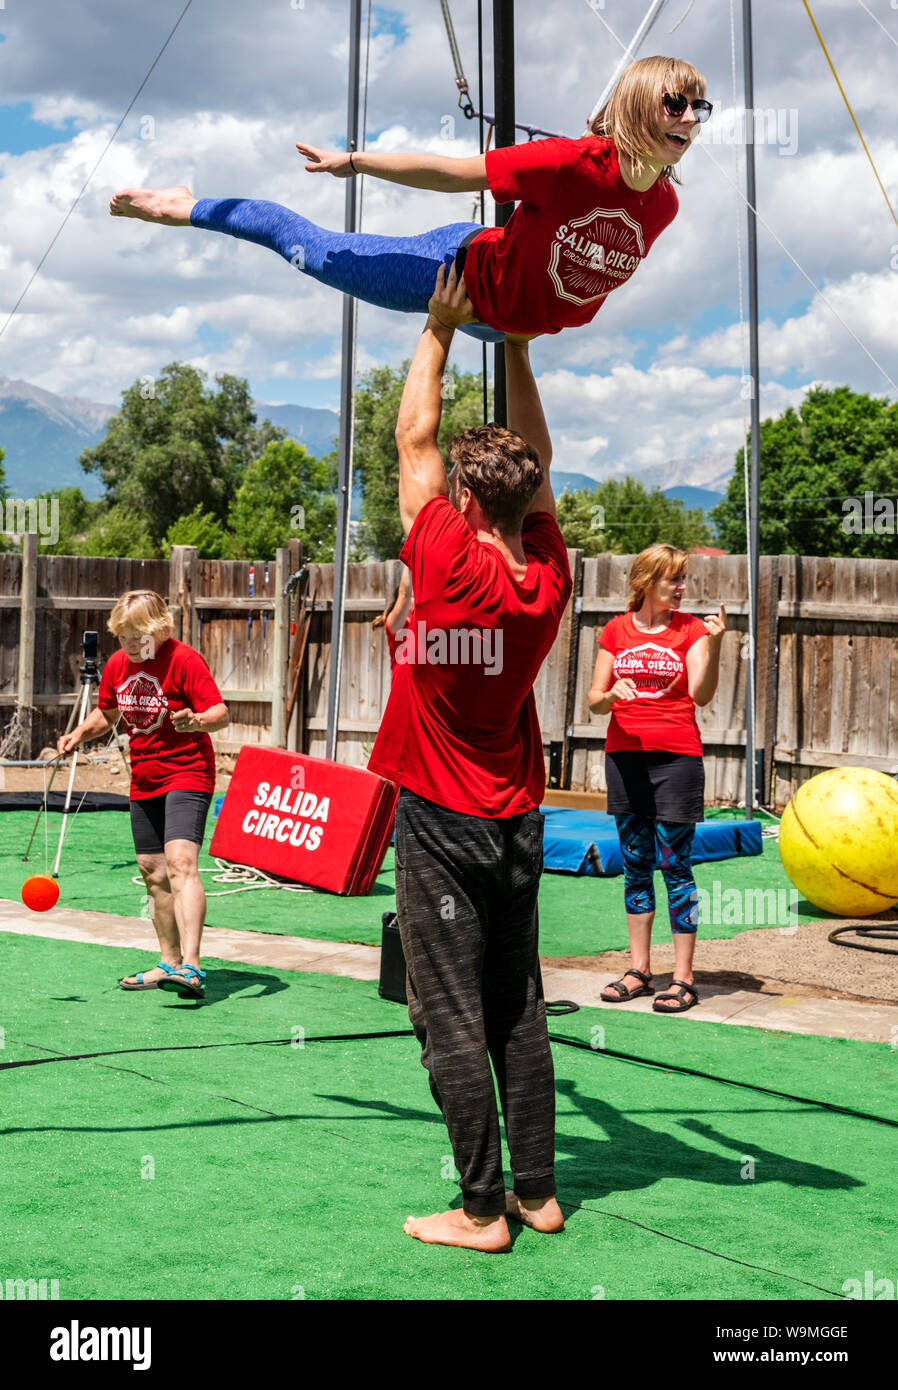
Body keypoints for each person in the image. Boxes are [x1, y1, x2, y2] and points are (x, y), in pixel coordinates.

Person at [366, 261, 572, 1252]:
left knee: (445, 1010)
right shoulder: (547, 575)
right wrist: (520, 344)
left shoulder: (441, 553)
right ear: (528, 501)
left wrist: (440, 327)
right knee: (517, 1000)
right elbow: (532, 460)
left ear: (460, 494)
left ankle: (481, 1207)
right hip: (518, 816)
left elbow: (409, 437)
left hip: (444, 822)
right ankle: (538, 1189)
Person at [108, 56, 710, 342]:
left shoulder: (663, 208)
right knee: (312, 251)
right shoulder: (567, 164)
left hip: (504, 327)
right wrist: (356, 160)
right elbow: (451, 173)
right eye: (675, 103)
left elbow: (574, 277)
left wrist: (527, 327)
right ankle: (185, 206)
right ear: (636, 106)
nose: (690, 118)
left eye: (698, 108)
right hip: (457, 277)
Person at [57, 591, 229, 1000]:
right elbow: (109, 712)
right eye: (123, 637)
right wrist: (79, 733)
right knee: (153, 871)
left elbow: (220, 713)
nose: (129, 645)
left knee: (180, 862)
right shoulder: (118, 665)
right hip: (145, 778)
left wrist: (196, 720)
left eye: (137, 637)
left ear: (160, 630)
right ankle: (167, 962)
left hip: (188, 772)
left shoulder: (184, 660)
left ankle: (192, 966)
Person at [586, 545, 726, 1014]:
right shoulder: (615, 630)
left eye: (684, 579)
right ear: (646, 582)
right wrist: (611, 693)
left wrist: (719, 644)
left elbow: (701, 694)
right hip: (625, 760)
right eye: (673, 580)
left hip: (677, 760)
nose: (682, 588)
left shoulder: (692, 630)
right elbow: (592, 701)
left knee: (676, 867)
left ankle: (684, 978)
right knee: (635, 865)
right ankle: (640, 971)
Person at [371, 564, 413, 681]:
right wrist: (410, 558)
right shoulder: (395, 624)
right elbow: (405, 594)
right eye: (414, 596)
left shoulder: (426, 625)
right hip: (403, 692)